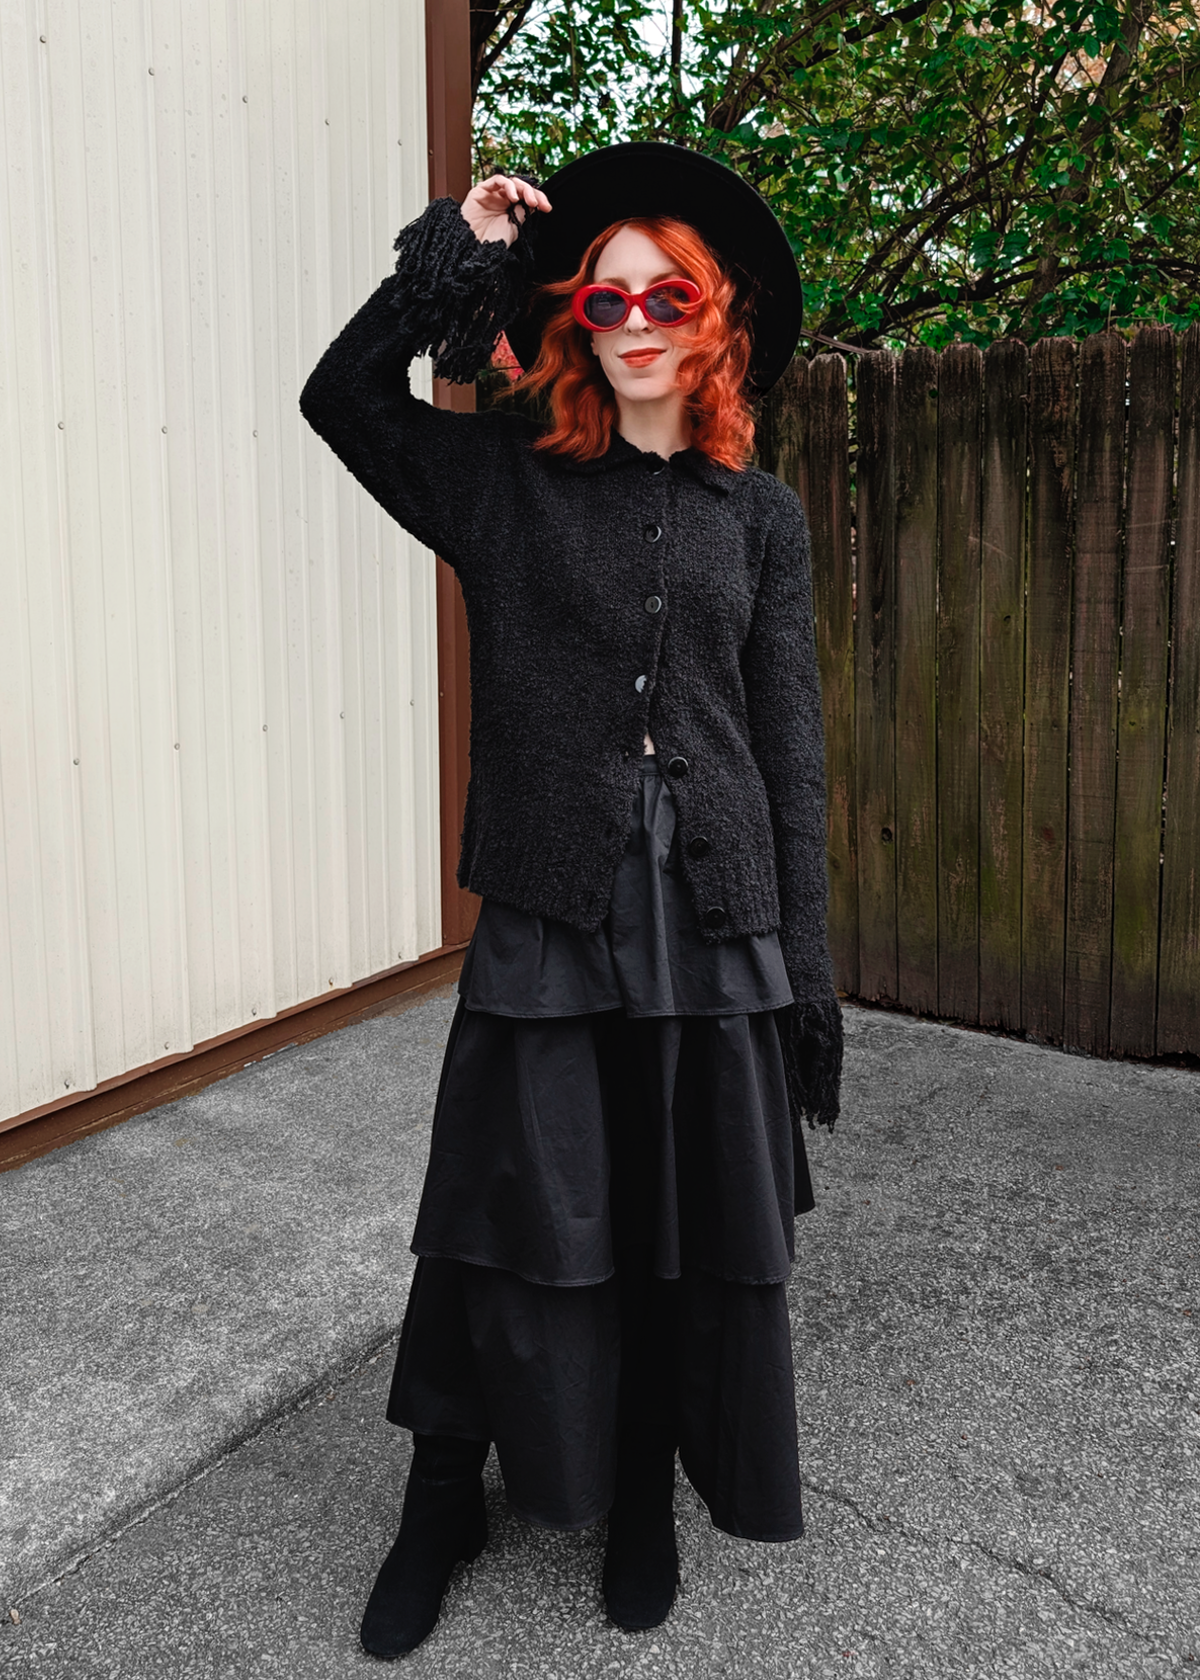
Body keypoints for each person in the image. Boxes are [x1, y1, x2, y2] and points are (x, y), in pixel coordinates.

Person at [299, 140, 843, 1661]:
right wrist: (452, 255)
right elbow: (343, 399)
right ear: (577, 320)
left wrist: (804, 970)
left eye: (670, 292)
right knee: (497, 1217)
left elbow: (789, 755)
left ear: (715, 316)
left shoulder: (763, 518)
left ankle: (648, 1502)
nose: (638, 315)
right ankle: (439, 1496)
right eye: (607, 296)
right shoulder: (507, 483)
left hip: (715, 922)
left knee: (676, 1229)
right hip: (551, 907)